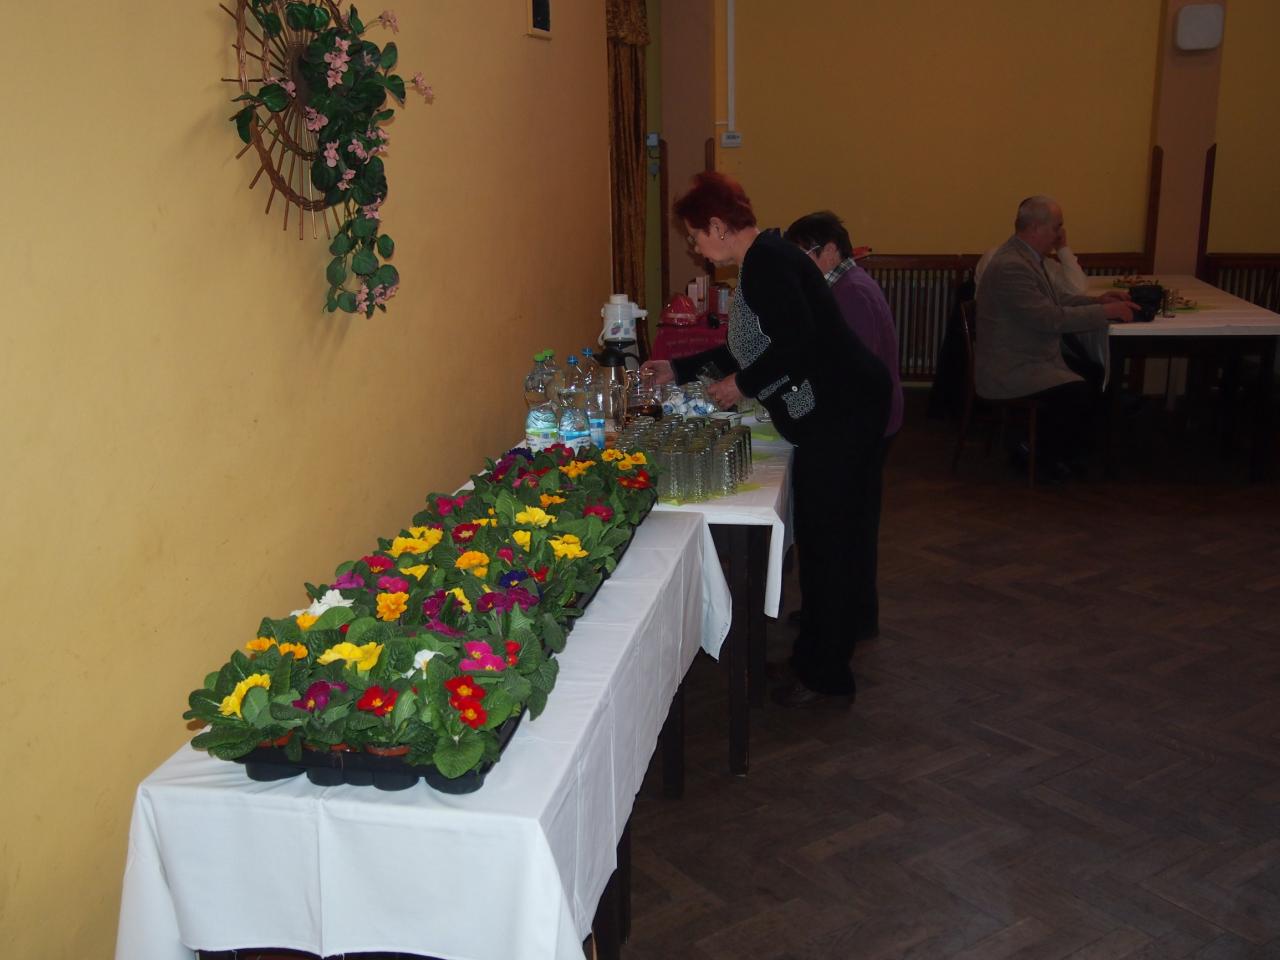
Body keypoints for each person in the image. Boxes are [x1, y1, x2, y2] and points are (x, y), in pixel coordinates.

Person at [642, 172, 891, 707]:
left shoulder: (768, 264)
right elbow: (748, 349)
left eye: (694, 236)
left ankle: (825, 675)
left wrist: (742, 386)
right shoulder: (763, 260)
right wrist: (678, 369)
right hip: (840, 410)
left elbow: (797, 345)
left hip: (843, 412)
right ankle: (815, 656)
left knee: (828, 544)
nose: (695, 247)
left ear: (717, 226)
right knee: (827, 540)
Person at [975, 196, 1138, 479]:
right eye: (1057, 227)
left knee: (1094, 373)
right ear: (1036, 228)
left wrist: (1098, 302)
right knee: (1078, 390)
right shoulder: (1012, 265)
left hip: (1028, 357)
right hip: (1010, 367)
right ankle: (1037, 456)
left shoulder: (1026, 257)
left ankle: (1064, 451)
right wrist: (1105, 312)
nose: (1060, 234)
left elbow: (1056, 300)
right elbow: (1049, 318)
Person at [783, 210, 904, 449]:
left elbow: (854, 372)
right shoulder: (846, 283)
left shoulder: (851, 293)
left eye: (800, 256)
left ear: (829, 251)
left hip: (867, 417)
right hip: (864, 410)